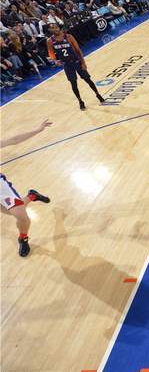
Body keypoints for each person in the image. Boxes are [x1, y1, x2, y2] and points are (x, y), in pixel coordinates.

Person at [1, 119, 53, 257]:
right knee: (10, 212)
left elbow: (14, 140)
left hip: (2, 190)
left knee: (22, 218)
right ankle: (32, 196)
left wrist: (37, 130)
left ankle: (23, 238)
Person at [46, 23, 105, 110]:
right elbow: (51, 53)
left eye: (56, 27)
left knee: (88, 79)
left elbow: (78, 50)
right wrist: (55, 60)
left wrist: (83, 63)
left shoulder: (68, 36)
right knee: (73, 84)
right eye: (52, 28)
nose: (55, 29)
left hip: (76, 62)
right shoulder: (50, 41)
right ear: (50, 30)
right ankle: (80, 101)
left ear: (59, 28)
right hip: (67, 65)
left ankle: (98, 94)